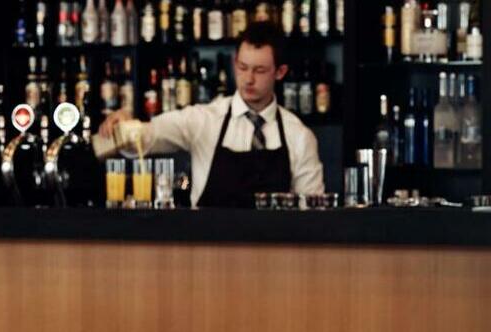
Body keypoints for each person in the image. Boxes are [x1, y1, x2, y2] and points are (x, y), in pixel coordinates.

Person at [99, 22, 325, 208]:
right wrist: (125, 126)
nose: (248, 79)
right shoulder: (204, 120)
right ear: (234, 63)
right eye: (242, 67)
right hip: (207, 246)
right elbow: (149, 136)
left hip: (275, 247)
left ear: (280, 72)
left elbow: (314, 214)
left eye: (259, 70)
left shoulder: (299, 136)